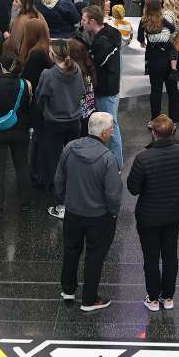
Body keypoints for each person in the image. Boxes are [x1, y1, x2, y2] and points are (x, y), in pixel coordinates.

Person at [55, 111, 120, 312]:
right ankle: (89, 299)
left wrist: (62, 201)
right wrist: (113, 212)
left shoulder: (70, 148)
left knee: (71, 250)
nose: (111, 133)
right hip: (99, 217)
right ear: (104, 133)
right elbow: (113, 194)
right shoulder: (107, 158)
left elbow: (59, 179)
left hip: (73, 213)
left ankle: (68, 289)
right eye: (110, 130)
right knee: (94, 256)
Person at [127, 114, 179, 311]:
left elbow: (133, 188)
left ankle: (153, 299)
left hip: (149, 216)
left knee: (151, 257)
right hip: (174, 213)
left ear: (153, 133)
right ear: (173, 132)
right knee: (170, 254)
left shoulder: (143, 158)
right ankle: (168, 297)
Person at [0, 52, 34, 211]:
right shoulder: (26, 84)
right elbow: (28, 105)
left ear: (2, 66)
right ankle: (25, 202)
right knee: (22, 165)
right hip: (20, 130)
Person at [37, 41, 84, 212]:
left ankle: (60, 201)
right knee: (73, 158)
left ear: (53, 55)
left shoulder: (48, 75)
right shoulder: (77, 69)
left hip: (54, 122)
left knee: (55, 161)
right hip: (74, 121)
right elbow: (82, 92)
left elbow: (40, 97)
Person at [79, 5, 123, 166]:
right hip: (111, 87)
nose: (81, 23)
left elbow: (95, 65)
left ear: (91, 21)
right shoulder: (111, 33)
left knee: (110, 126)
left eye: (83, 20)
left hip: (106, 89)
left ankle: (116, 163)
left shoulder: (101, 43)